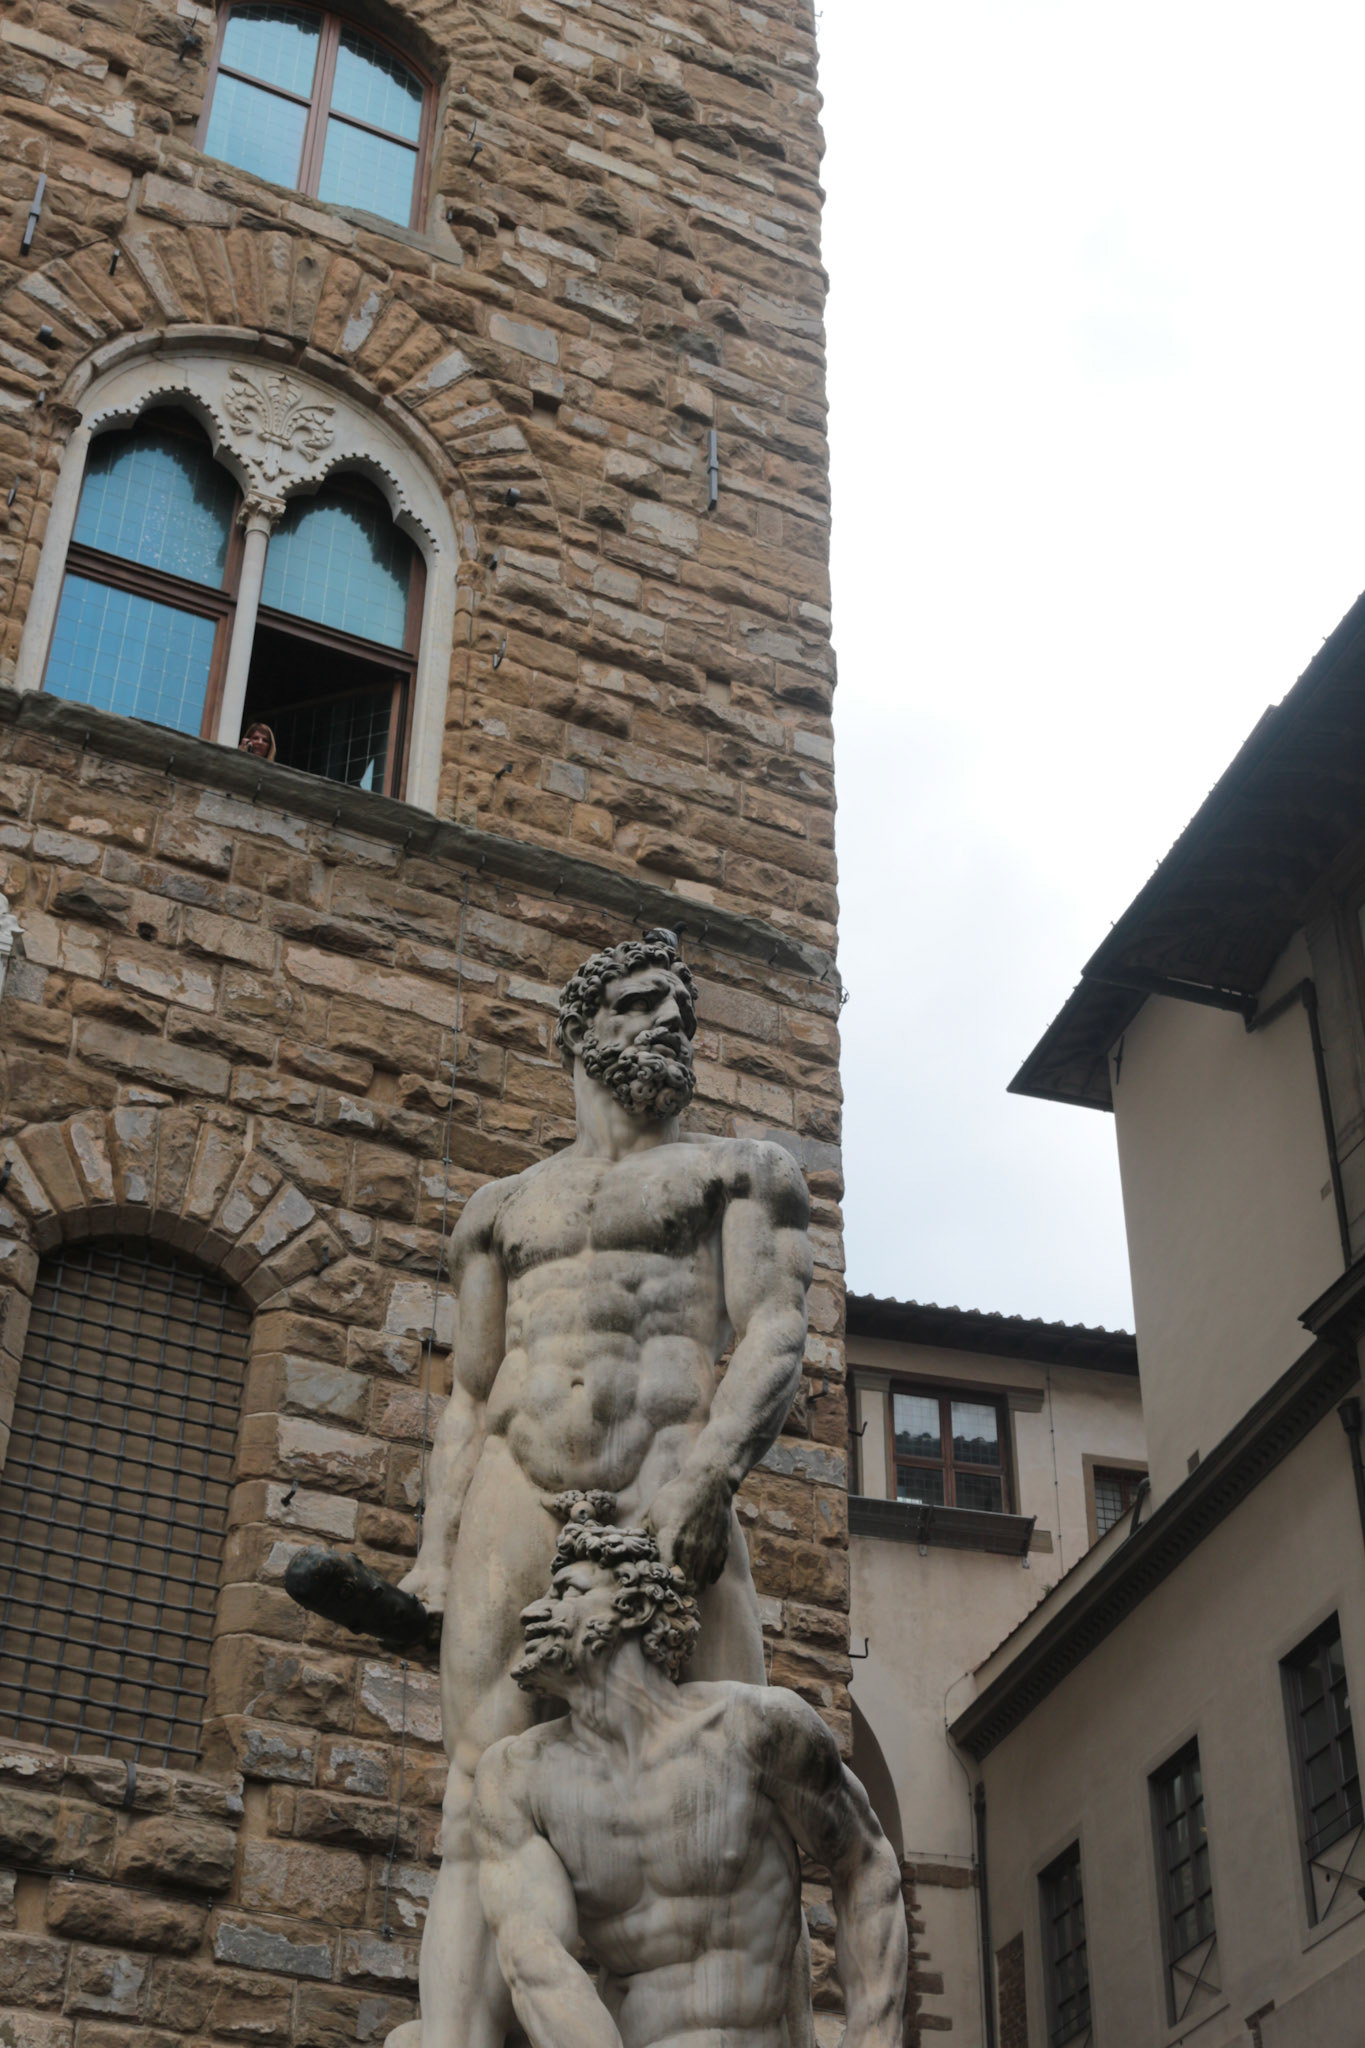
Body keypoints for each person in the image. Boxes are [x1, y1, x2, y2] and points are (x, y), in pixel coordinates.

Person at [392, 929, 814, 2048]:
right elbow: (468, 1393)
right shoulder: (497, 1209)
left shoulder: (741, 1171)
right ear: (579, 1032)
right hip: (516, 1494)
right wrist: (434, 1551)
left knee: (730, 1784)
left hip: (670, 1484)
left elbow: (774, 1331)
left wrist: (712, 1478)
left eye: (682, 1006)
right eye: (639, 1001)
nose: (670, 1019)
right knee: (476, 1787)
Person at [471, 1514, 907, 2048]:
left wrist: (872, 2035)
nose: (533, 1612)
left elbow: (865, 1864)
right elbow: (537, 1963)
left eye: (568, 1592)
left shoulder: (754, 1728)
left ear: (634, 1607)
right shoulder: (517, 1778)